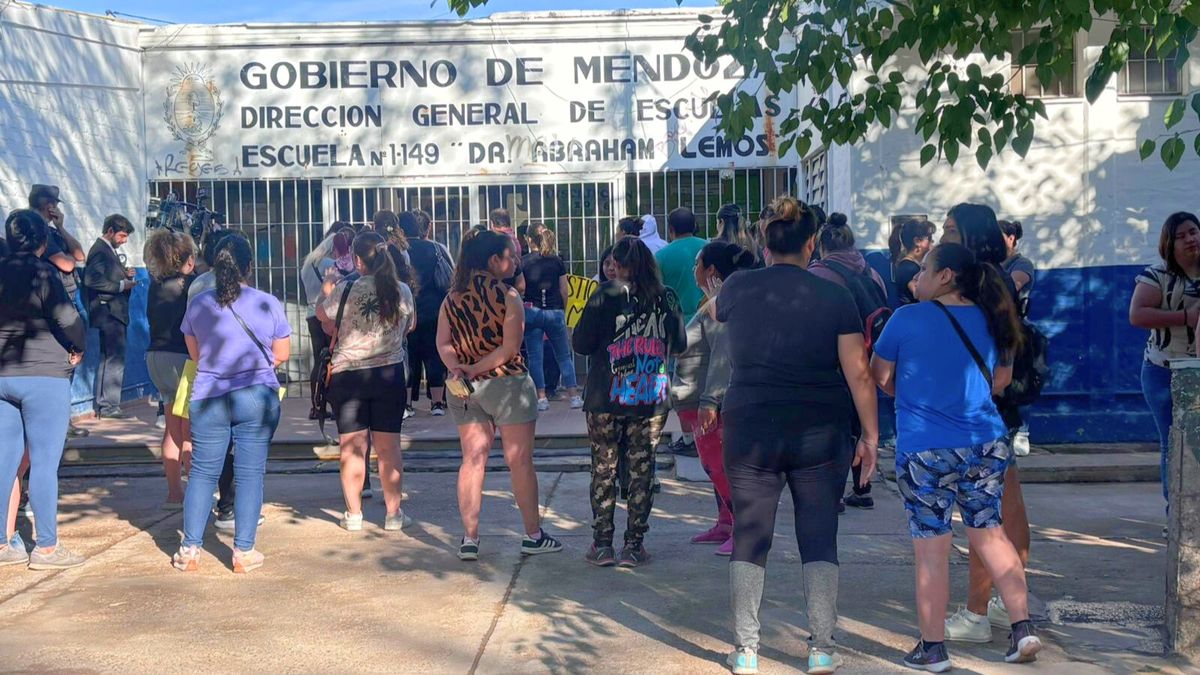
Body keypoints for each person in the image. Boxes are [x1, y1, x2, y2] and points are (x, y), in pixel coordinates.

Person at [715, 197, 878, 675]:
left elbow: (715, 313)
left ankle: (746, 651)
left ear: (765, 242)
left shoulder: (738, 287)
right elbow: (859, 374)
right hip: (821, 431)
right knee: (819, 532)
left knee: (750, 532)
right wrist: (870, 436)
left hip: (749, 427)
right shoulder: (836, 295)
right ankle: (821, 649)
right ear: (813, 244)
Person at [871, 242, 1042, 669]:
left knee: (932, 550)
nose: (917, 278)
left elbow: (880, 376)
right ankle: (1022, 629)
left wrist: (915, 396)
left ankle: (933, 649)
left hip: (926, 447)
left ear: (946, 275)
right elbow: (1000, 380)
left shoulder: (905, 318)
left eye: (924, 270)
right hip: (985, 442)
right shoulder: (992, 318)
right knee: (990, 533)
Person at [938, 203, 1034, 644]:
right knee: (1005, 508)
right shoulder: (996, 277)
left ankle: (977, 612)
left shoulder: (981, 281)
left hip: (983, 408)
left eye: (952, 229)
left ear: (973, 235)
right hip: (997, 408)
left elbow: (1003, 354)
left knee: (984, 515)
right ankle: (1001, 604)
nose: (944, 235)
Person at [436, 229, 563, 561]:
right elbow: (509, 349)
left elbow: (443, 344)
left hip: (463, 389)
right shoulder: (508, 297)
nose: (515, 261)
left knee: (472, 461)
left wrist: (459, 368)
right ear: (495, 261)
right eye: (510, 256)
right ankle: (532, 535)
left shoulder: (451, 298)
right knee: (519, 461)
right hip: (507, 385)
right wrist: (479, 368)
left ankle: (469, 538)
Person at [174, 232, 289, 574]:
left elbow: (195, 354)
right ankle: (243, 552)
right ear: (248, 266)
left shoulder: (197, 304)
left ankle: (190, 549)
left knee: (203, 473)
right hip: (256, 394)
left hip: (209, 395)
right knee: (251, 474)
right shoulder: (268, 302)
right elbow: (281, 355)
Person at [574, 236, 686, 568]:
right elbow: (678, 344)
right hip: (649, 398)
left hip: (604, 396)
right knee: (642, 469)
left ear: (622, 265)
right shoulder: (667, 297)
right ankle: (634, 546)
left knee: (604, 469)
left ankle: (602, 545)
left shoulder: (604, 293)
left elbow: (580, 343)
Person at [0, 209, 88, 570]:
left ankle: (4, 545)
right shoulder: (43, 272)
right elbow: (67, 320)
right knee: (45, 464)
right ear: (40, 242)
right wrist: (78, 347)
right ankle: (48, 548)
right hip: (45, 377)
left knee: (4, 464)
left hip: (4, 375)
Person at [317, 231, 415, 532]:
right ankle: (393, 514)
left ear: (358, 261)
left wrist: (327, 289)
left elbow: (322, 316)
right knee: (389, 448)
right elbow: (410, 324)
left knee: (352, 448)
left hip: (349, 377)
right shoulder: (401, 290)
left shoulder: (346, 290)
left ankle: (354, 514)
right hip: (389, 374)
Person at [672, 241, 755, 557]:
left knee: (718, 466)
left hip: (709, 405)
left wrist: (710, 401)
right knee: (712, 467)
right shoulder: (712, 302)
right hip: (696, 400)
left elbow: (723, 356)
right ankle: (725, 522)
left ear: (711, 270)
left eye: (697, 263)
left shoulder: (721, 306)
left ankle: (743, 529)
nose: (693, 269)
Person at [809, 213, 888, 512]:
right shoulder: (872, 272)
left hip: (832, 361)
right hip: (869, 357)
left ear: (820, 245)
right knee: (860, 422)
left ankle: (833, 492)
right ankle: (862, 487)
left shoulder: (819, 274)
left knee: (835, 427)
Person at [1130, 211, 1200, 508]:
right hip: (1164, 372)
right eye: (1181, 236)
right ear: (1168, 244)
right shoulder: (1156, 275)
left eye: (1193, 232)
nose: (1190, 239)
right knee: (1174, 444)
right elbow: (1138, 314)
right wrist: (1186, 317)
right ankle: (1177, 513)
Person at [29, 185, 87, 438]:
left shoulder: (52, 231)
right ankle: (60, 422)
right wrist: (68, 259)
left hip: (63, 298)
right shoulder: (37, 231)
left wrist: (62, 227)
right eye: (56, 204)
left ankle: (63, 420)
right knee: (65, 359)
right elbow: (66, 263)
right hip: (54, 302)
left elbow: (79, 255)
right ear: (48, 205)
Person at [144, 229, 197, 508]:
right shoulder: (190, 285)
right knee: (189, 430)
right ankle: (197, 493)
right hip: (182, 359)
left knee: (171, 428)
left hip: (155, 356)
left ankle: (174, 493)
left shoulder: (155, 284)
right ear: (187, 260)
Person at [521, 227, 582, 411]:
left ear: (528, 239)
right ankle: (573, 396)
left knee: (535, 357)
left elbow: (522, 288)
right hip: (555, 311)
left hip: (532, 311)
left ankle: (541, 398)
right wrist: (561, 309)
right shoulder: (557, 261)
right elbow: (565, 290)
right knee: (563, 355)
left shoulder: (523, 262)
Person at [83, 215, 137, 420]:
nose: (124, 240)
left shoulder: (106, 250)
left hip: (110, 312)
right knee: (114, 358)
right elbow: (92, 280)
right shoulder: (100, 250)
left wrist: (125, 274)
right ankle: (109, 406)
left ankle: (105, 404)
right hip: (110, 312)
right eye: (122, 235)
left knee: (109, 358)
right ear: (110, 231)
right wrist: (122, 285)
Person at [402, 209, 451, 416]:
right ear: (427, 228)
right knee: (434, 355)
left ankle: (406, 404)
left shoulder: (401, 251)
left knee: (409, 357)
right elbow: (450, 275)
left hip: (408, 310)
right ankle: (437, 403)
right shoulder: (437, 248)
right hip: (434, 309)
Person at [300, 223, 348, 420]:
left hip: (311, 312)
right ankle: (333, 402)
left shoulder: (308, 264)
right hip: (326, 314)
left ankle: (316, 405)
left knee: (318, 361)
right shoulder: (329, 263)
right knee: (331, 359)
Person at [999, 219, 1037, 457]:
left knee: (1019, 380)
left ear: (1011, 238)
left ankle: (1021, 431)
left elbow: (1013, 285)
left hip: (1016, 329)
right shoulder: (990, 264)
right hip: (993, 328)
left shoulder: (1021, 263)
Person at [655, 207, 708, 322]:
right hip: (709, 318)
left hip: (678, 322)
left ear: (670, 229)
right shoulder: (710, 248)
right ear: (694, 226)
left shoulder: (660, 256)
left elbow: (657, 294)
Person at [889, 217, 937, 306]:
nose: (932, 241)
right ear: (917, 241)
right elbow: (920, 294)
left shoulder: (911, 265)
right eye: (929, 238)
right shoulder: (908, 269)